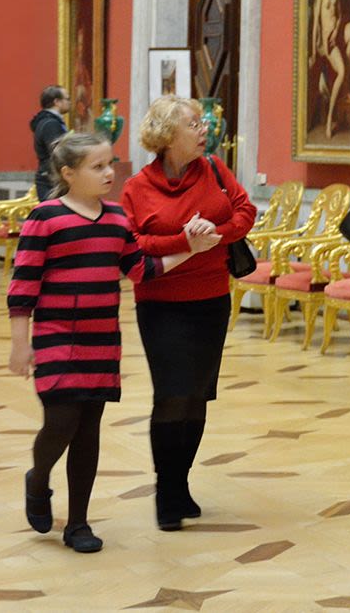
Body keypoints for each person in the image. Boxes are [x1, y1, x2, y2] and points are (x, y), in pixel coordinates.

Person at [9, 132, 194, 554]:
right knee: (61, 421)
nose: (110, 173)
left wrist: (191, 248)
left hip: (102, 340)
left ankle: (78, 523)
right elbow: (23, 286)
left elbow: (139, 269)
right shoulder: (45, 217)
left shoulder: (116, 218)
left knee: (88, 429)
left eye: (110, 164)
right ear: (68, 173)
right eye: (98, 166)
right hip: (56, 337)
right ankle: (38, 479)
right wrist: (20, 344)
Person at [120, 96, 257, 533]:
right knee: (171, 395)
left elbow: (246, 212)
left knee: (197, 394)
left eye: (202, 123)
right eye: (194, 124)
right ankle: (166, 489)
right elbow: (133, 244)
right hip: (160, 303)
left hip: (211, 299)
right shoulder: (137, 187)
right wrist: (185, 241)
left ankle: (180, 484)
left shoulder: (214, 169)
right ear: (167, 135)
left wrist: (217, 233)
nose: (204, 130)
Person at [311, 0, 349, 140]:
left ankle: (333, 112)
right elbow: (316, 21)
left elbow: (340, 14)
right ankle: (328, 121)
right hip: (325, 42)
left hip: (334, 37)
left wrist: (336, 31)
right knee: (342, 71)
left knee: (341, 71)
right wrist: (314, 50)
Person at [30, 86, 71, 199]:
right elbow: (58, 152)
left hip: (48, 175)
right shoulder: (51, 124)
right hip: (51, 179)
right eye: (67, 99)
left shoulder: (46, 121)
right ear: (57, 102)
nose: (70, 102)